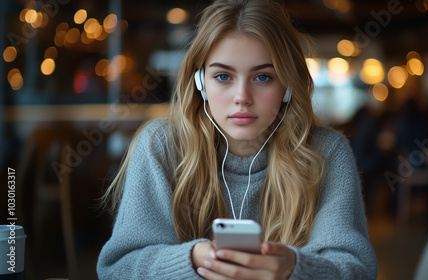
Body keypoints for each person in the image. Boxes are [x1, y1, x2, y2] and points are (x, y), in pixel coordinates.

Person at [97, 0, 378, 279]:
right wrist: (193, 261)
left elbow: (357, 270)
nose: (242, 96)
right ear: (200, 83)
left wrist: (295, 268)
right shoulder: (161, 146)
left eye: (263, 77)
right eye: (223, 76)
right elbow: (117, 268)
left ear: (288, 86)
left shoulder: (326, 152)